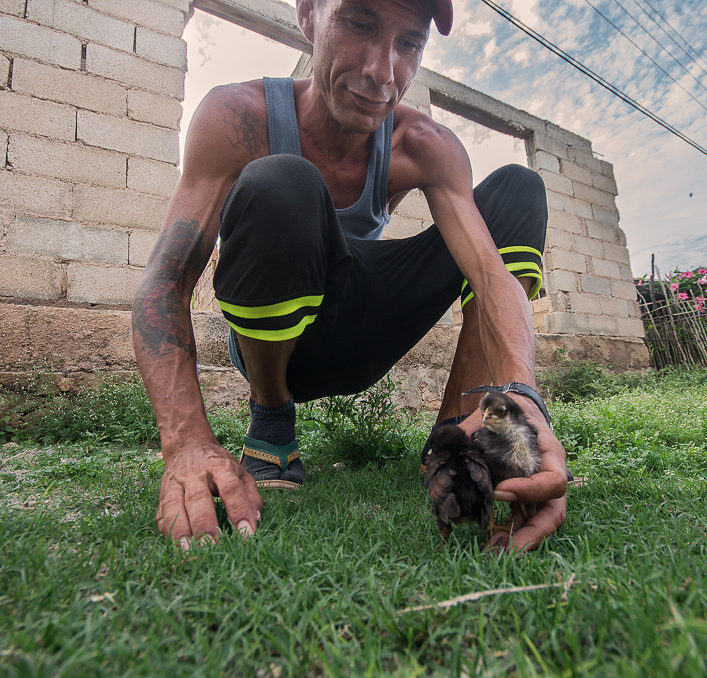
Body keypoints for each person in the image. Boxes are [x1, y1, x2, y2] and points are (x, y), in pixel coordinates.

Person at [132, 0, 568, 554]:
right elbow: (163, 283)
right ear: (309, 15)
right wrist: (187, 441)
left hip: (364, 326)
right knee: (281, 184)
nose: (383, 71)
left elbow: (490, 273)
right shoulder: (238, 118)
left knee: (517, 192)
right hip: (278, 341)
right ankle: (272, 425)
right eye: (360, 23)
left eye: (408, 43)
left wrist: (521, 403)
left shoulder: (423, 146)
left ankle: (457, 438)